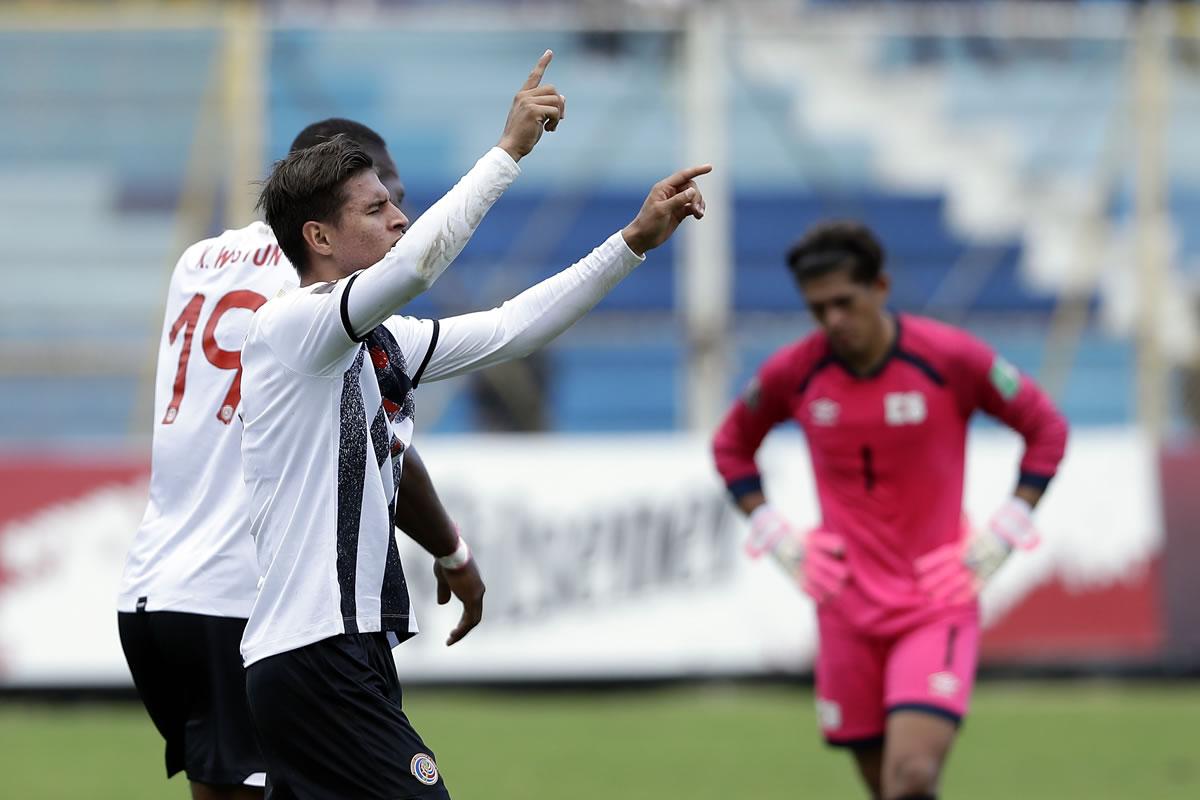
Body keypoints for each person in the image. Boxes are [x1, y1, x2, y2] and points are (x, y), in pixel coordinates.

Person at [239, 49, 709, 798]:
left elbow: (511, 330)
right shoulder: (293, 329)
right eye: (375, 209)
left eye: (396, 203)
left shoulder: (378, 343)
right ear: (318, 239)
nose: (400, 216)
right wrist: (510, 151)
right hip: (315, 651)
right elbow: (419, 268)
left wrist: (632, 244)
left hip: (336, 651)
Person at [116, 117, 466, 799]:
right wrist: (454, 551)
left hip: (152, 591)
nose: (396, 217)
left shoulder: (200, 260)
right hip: (249, 596)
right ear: (320, 213)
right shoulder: (325, 294)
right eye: (378, 198)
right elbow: (383, 447)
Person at [711, 221, 1068, 800]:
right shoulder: (794, 372)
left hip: (936, 600)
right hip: (844, 606)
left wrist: (1003, 533)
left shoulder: (948, 358)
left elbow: (1046, 428)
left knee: (913, 778)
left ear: (880, 286)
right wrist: (776, 535)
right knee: (886, 787)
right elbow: (730, 446)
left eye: (844, 303)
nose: (832, 322)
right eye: (817, 308)